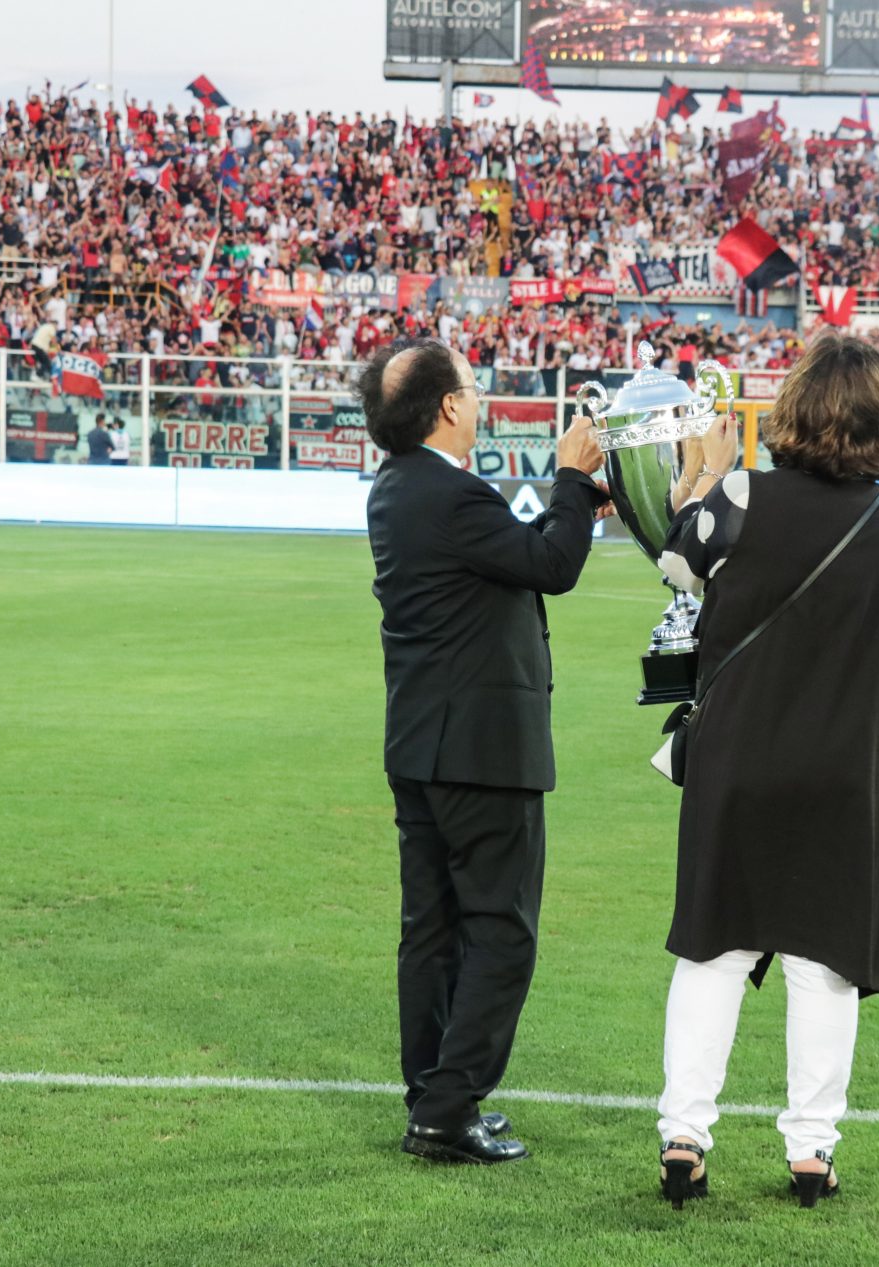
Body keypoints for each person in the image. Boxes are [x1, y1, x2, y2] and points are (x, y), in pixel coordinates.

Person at [650, 333, 879, 1210]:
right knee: (825, 963)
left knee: (714, 947)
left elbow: (677, 563)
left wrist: (701, 473)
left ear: (795, 408)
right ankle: (812, 1149)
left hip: (739, 759)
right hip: (846, 773)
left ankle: (684, 1135)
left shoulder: (742, 495)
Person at [361, 336, 610, 1165]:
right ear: (448, 406)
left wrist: (575, 504)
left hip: (421, 745)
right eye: (471, 387)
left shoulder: (402, 488)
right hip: (483, 751)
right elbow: (550, 565)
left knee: (431, 931)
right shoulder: (454, 494)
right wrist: (572, 478)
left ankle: (432, 1097)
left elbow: (509, 555)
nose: (480, 398)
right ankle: (448, 1108)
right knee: (500, 931)